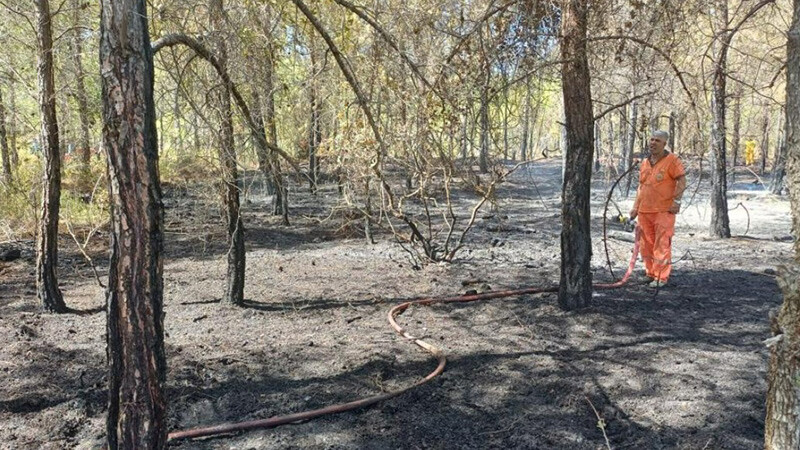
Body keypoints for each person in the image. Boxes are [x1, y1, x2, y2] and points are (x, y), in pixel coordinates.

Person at [629, 130, 687, 288]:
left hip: (663, 210)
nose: (653, 143)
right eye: (652, 140)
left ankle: (661, 276)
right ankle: (650, 273)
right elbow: (641, 187)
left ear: (664, 144)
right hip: (644, 211)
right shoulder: (645, 162)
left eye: (657, 141)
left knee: (662, 244)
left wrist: (677, 201)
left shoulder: (672, 160)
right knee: (645, 244)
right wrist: (635, 207)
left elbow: (682, 180)